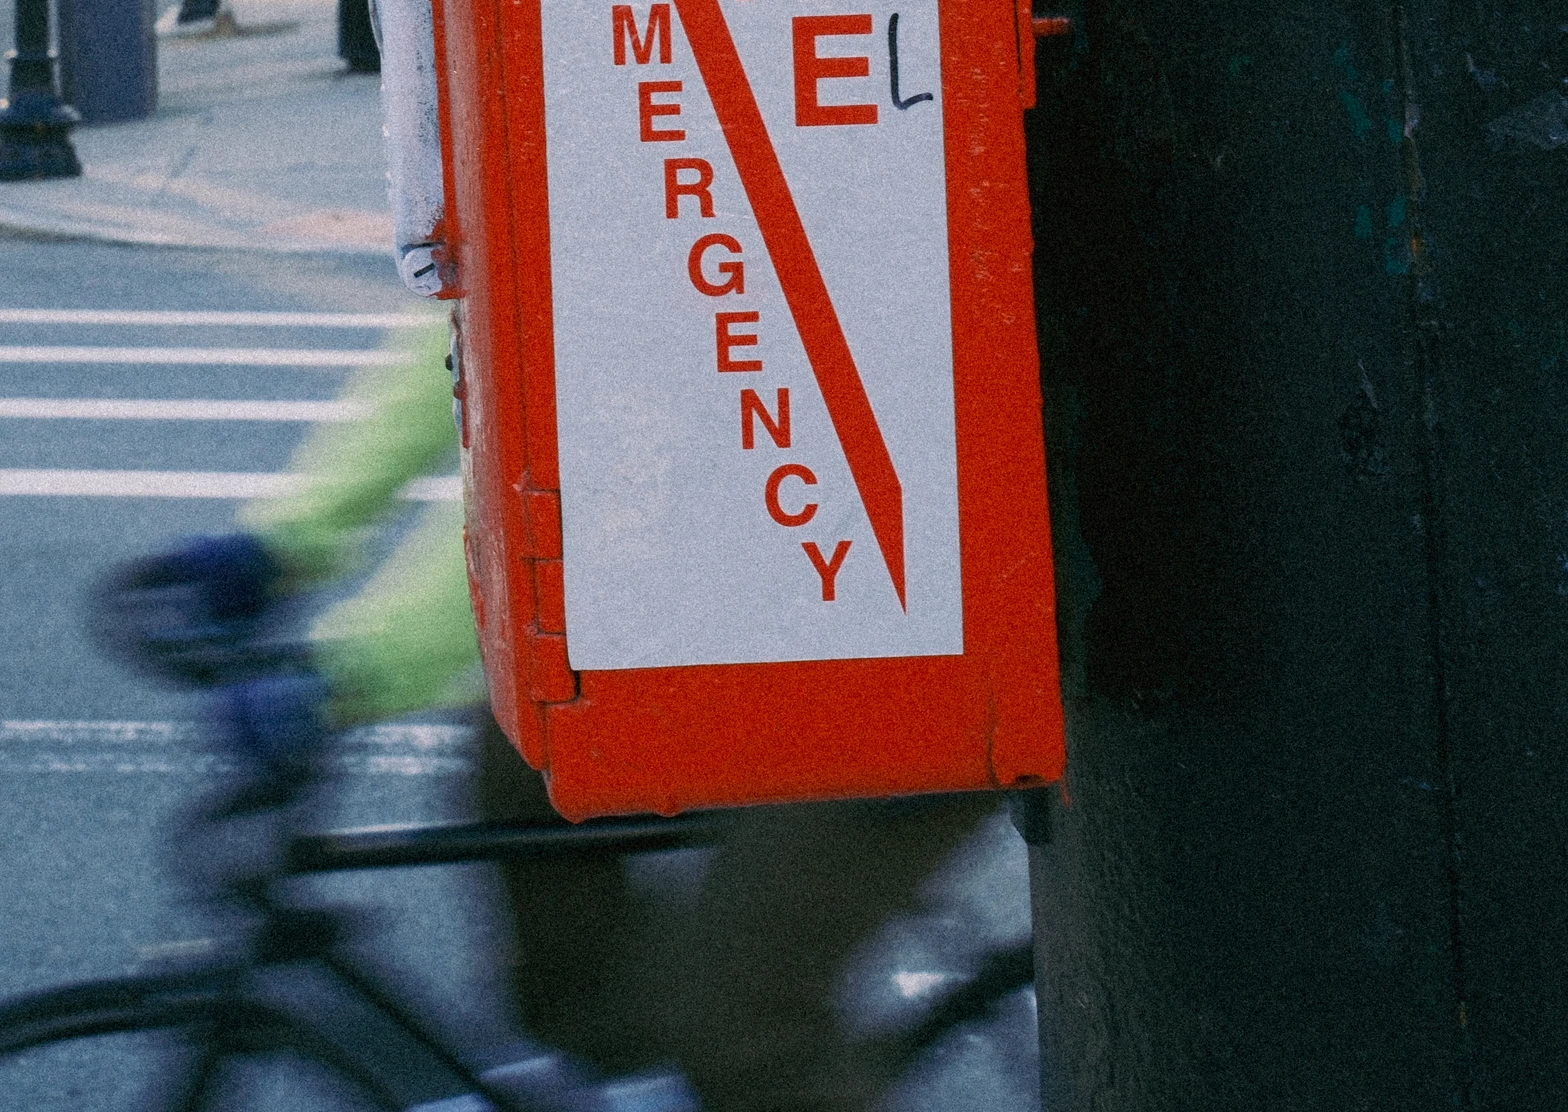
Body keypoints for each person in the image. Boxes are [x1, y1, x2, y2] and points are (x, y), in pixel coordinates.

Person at [129, 304, 998, 1112]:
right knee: (520, 772)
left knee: (734, 1029)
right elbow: (471, 322)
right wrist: (284, 541)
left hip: (909, 644)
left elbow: (569, 490)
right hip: (759, 616)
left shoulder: (642, 170)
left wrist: (348, 675)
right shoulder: (546, 150)